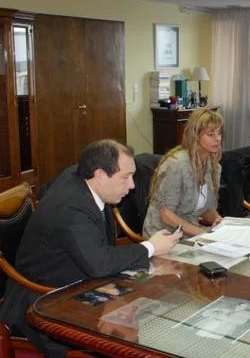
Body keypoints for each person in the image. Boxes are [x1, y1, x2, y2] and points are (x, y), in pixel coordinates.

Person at [0, 139, 181, 357]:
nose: (132, 185)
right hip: (43, 300)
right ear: (100, 175)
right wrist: (149, 247)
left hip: (77, 280)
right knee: (125, 347)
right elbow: (100, 264)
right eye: (125, 177)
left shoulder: (84, 181)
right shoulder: (71, 206)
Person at [143, 108, 225, 239]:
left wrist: (216, 219)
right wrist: (202, 233)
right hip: (163, 234)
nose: (218, 139)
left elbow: (206, 209)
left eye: (219, 133)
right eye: (210, 134)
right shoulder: (176, 165)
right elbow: (165, 215)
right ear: (195, 136)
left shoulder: (215, 167)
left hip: (190, 231)